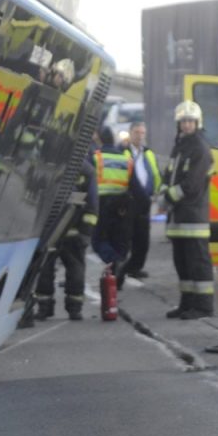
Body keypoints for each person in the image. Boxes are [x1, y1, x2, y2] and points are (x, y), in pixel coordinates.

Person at [161, 101, 215, 320]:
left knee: (198, 264)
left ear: (197, 122)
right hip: (179, 218)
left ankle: (203, 307)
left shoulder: (200, 148)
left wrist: (168, 196)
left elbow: (191, 185)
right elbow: (169, 175)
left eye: (190, 121)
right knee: (182, 264)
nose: (186, 125)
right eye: (183, 121)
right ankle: (187, 304)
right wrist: (164, 189)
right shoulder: (180, 146)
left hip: (193, 217)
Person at [34, 161, 98, 321]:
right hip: (71, 232)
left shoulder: (53, 164)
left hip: (53, 231)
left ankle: (45, 307)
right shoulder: (87, 170)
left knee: (46, 268)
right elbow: (93, 203)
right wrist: (86, 232)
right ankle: (74, 309)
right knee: (73, 268)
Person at [120, 122, 161, 282]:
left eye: (142, 133)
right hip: (130, 200)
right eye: (137, 132)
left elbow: (155, 173)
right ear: (130, 133)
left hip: (145, 200)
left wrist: (156, 191)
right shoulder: (124, 151)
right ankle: (121, 270)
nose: (140, 136)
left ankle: (135, 267)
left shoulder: (148, 153)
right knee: (127, 237)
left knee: (142, 238)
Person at [91, 126, 132, 282]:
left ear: (99, 139)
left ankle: (115, 261)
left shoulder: (96, 158)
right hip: (121, 206)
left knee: (97, 241)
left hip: (101, 204)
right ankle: (116, 277)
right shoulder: (126, 160)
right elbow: (135, 186)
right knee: (116, 241)